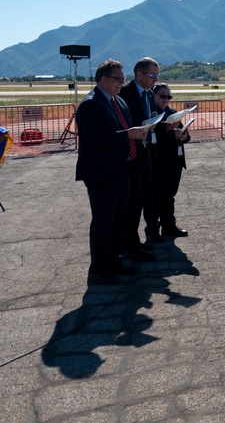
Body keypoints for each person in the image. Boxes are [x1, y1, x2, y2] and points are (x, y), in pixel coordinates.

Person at [74, 59, 148, 285]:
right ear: (103, 79)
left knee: (119, 220)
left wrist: (138, 133)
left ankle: (114, 261)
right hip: (101, 173)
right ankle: (98, 269)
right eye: (117, 79)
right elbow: (95, 139)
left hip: (121, 169)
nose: (121, 83)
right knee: (104, 221)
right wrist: (128, 134)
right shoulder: (91, 104)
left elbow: (123, 131)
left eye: (123, 79)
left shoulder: (118, 102)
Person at [119, 57, 160, 256]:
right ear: (139, 74)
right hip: (131, 155)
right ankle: (129, 244)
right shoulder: (124, 93)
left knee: (142, 199)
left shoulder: (150, 94)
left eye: (157, 76)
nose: (155, 79)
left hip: (146, 153)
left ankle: (134, 241)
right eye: (152, 75)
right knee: (131, 203)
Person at [150, 83, 190, 240]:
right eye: (162, 96)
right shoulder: (152, 114)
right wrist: (168, 134)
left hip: (176, 161)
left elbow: (185, 133)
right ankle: (153, 230)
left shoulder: (172, 112)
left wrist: (184, 136)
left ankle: (169, 226)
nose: (165, 99)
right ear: (154, 96)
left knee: (169, 196)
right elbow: (153, 139)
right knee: (157, 197)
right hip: (160, 163)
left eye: (168, 96)